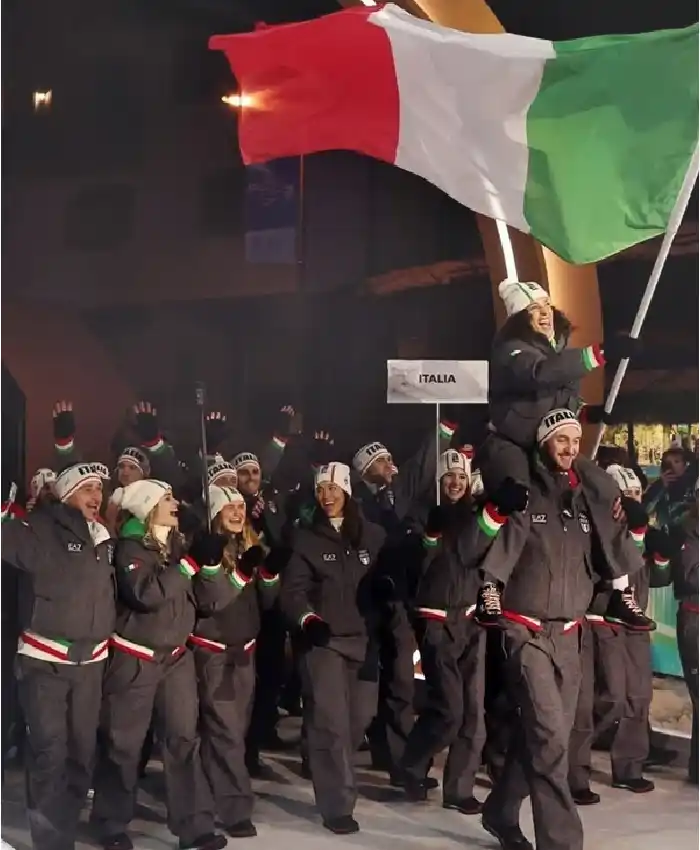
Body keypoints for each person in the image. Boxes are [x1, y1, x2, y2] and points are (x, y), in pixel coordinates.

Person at [475, 410, 647, 850]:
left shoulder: (586, 500)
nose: (570, 449)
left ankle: (500, 811)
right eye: (560, 440)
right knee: (550, 738)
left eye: (575, 440)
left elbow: (606, 560)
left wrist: (626, 519)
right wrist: (491, 584)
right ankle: (562, 842)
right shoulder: (525, 493)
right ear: (544, 442)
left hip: (569, 635)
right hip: (525, 632)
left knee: (544, 737)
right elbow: (495, 549)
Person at [90, 479, 227, 850]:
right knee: (124, 744)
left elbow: (209, 602)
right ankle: (110, 823)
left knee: (183, 740)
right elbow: (145, 594)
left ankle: (195, 825)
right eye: (167, 498)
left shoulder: (178, 545)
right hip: (135, 657)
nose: (175, 503)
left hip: (176, 658)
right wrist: (189, 564)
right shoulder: (130, 548)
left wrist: (211, 566)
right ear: (148, 506)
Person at [2, 462, 115, 850]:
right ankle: (51, 842)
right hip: (44, 660)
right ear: (66, 494)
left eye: (99, 489)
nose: (96, 496)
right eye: (87, 489)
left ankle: (64, 825)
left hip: (90, 664)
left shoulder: (103, 536)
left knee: (81, 754)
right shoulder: (40, 528)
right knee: (50, 751)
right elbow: (6, 541)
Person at [280, 462, 385, 835]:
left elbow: (390, 576)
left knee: (360, 718)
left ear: (347, 491)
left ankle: (319, 756)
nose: (326, 496)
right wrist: (308, 619)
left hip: (363, 640)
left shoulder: (373, 536)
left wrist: (386, 592)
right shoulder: (306, 539)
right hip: (323, 642)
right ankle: (337, 804)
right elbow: (292, 592)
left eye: (333, 489)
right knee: (332, 725)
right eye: (321, 489)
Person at [352, 419, 456, 783]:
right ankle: (365, 745)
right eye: (381, 461)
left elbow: (424, 462)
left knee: (401, 680)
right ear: (365, 471)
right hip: (364, 602)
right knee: (368, 681)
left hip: (399, 598)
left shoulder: (400, 494)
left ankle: (400, 761)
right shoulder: (356, 502)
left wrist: (444, 429)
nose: (390, 464)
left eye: (389, 458)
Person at [568, 466, 669, 805]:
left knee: (638, 698)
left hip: (636, 624)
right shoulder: (594, 529)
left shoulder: (643, 530)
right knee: (607, 698)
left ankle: (629, 768)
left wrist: (661, 556)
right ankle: (572, 766)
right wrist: (634, 537)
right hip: (602, 619)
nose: (632, 502)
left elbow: (657, 579)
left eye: (637, 495)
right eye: (625, 497)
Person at [400, 449, 488, 813]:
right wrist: (431, 536)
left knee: (473, 712)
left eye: (461, 477)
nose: (455, 483)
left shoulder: (473, 516)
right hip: (435, 618)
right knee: (449, 708)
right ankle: (411, 763)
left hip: (470, 618)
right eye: (449, 476)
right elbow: (417, 564)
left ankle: (459, 788)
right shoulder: (419, 513)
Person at [191, 485, 281, 838]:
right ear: (214, 512)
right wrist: (238, 573)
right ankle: (235, 808)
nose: (237, 512)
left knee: (231, 732)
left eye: (241, 506)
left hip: (245, 650)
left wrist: (270, 574)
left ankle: (206, 792)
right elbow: (210, 602)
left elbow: (267, 602)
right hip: (214, 651)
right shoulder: (205, 548)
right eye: (229, 507)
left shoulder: (251, 544)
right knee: (226, 732)